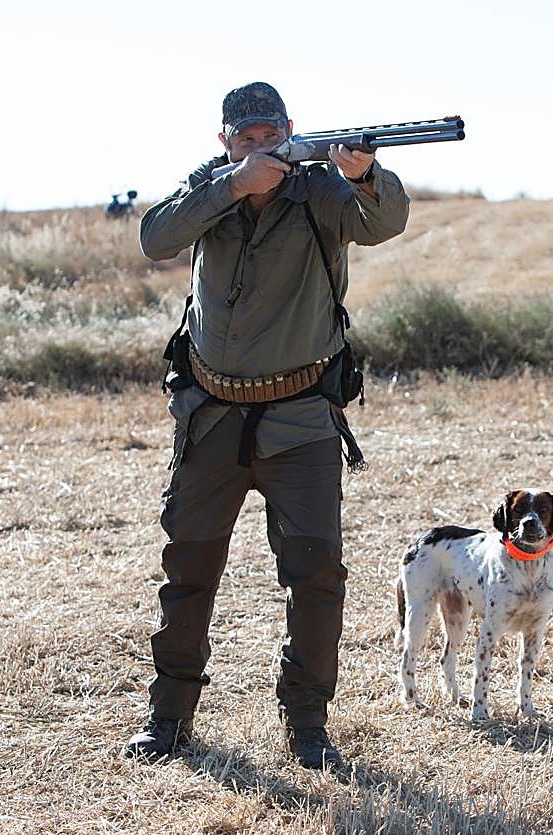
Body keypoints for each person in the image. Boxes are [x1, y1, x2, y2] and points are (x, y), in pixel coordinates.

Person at [123, 82, 410, 769]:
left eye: (270, 134)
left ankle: (306, 724)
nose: (260, 147)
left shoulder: (319, 190)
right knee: (187, 568)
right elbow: (154, 236)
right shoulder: (208, 187)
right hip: (211, 415)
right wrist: (230, 186)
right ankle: (168, 719)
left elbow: (383, 222)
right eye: (245, 138)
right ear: (225, 140)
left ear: (290, 129)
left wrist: (363, 172)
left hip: (301, 416)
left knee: (315, 576)